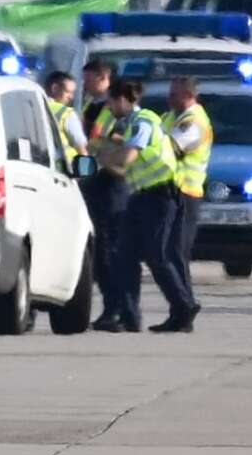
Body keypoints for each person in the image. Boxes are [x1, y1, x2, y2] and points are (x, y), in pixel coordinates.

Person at [98, 80, 202, 334]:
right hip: (141, 197)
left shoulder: (144, 121)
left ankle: (184, 307)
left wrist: (101, 157)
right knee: (125, 255)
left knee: (159, 256)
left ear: (123, 99)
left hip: (160, 196)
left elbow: (127, 158)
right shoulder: (132, 124)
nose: (109, 108)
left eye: (111, 102)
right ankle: (129, 317)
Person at [78, 59, 129, 329]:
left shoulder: (115, 109)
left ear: (103, 78)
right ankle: (111, 308)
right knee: (97, 251)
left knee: (109, 250)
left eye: (89, 79)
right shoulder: (92, 105)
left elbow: (119, 145)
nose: (84, 84)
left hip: (112, 183)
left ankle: (116, 310)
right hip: (93, 182)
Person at [165, 76, 214, 292]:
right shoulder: (172, 117)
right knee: (170, 252)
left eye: (174, 94)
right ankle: (181, 307)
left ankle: (185, 305)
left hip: (187, 192)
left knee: (177, 252)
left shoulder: (194, 121)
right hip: (173, 192)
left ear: (189, 95)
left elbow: (170, 148)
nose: (169, 97)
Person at [44, 70, 87, 162]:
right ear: (55, 88)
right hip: (66, 169)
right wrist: (86, 170)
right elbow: (80, 147)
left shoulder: (33, 108)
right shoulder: (66, 113)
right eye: (68, 92)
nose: (71, 97)